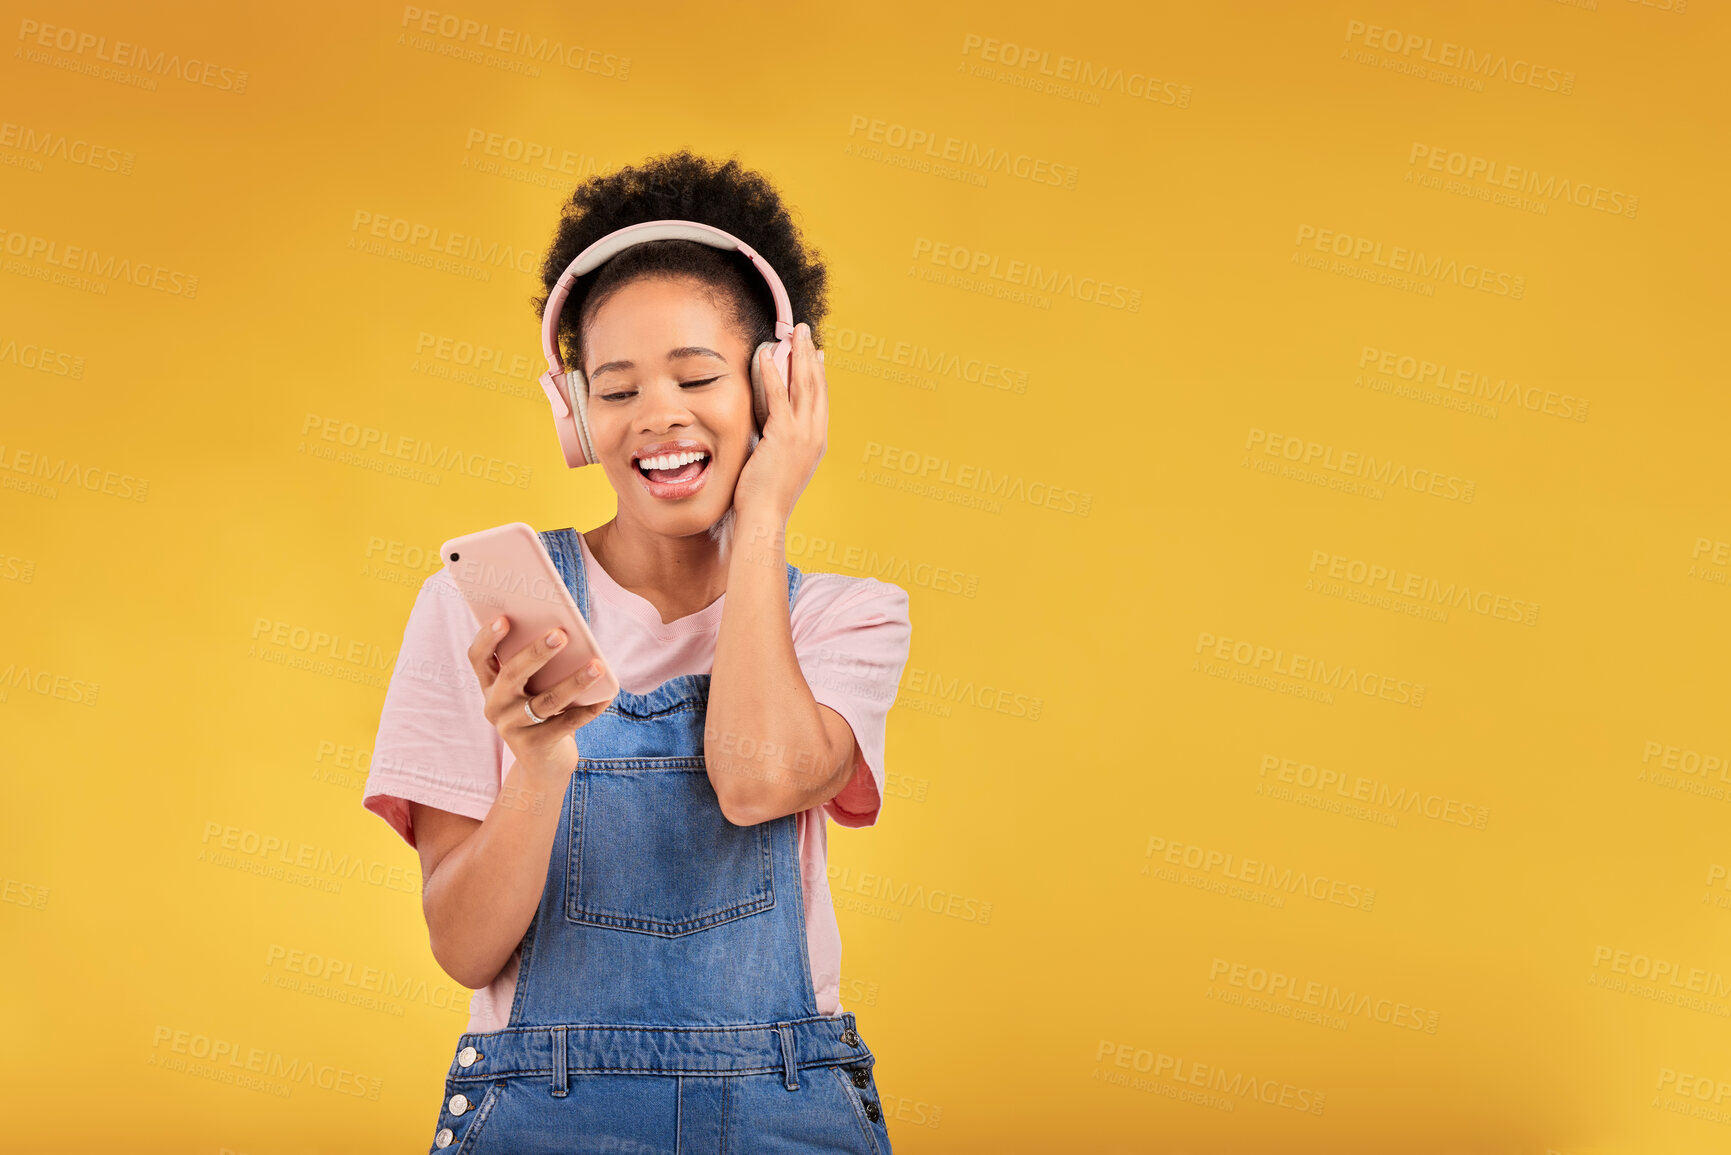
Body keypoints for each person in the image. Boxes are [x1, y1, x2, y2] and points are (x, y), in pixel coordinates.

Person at [362, 150, 912, 1154]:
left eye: (697, 376)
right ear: (574, 415)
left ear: (777, 385)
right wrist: (538, 760)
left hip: (783, 1113)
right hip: (543, 1113)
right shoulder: (475, 612)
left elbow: (758, 782)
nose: (657, 414)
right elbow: (463, 946)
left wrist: (760, 521)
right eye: (615, 390)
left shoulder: (848, 620)